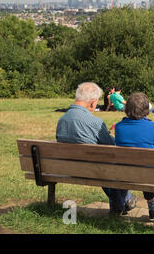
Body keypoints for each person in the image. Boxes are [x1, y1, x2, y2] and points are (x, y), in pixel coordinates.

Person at [56, 82, 137, 215]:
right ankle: (124, 200)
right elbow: (112, 147)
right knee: (112, 164)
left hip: (69, 168)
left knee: (101, 164)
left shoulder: (62, 120)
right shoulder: (95, 122)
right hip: (93, 170)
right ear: (93, 103)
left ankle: (122, 201)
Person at [114, 92, 154, 224]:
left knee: (143, 169)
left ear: (127, 109)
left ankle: (152, 205)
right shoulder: (151, 127)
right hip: (149, 174)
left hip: (126, 174)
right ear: (146, 109)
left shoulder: (119, 127)